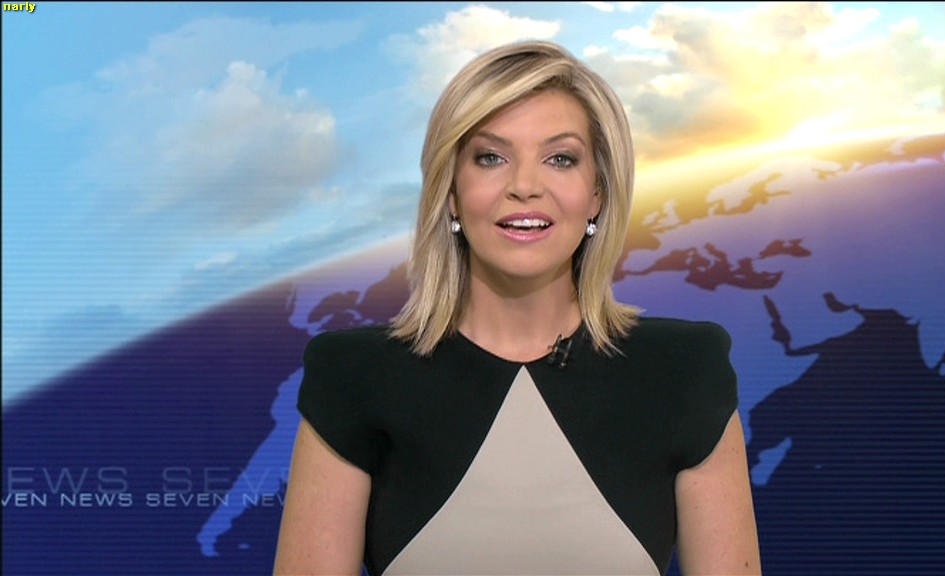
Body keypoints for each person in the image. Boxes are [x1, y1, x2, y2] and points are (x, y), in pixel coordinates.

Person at [274, 40, 761, 576]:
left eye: (560, 158)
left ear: (597, 193)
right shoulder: (352, 377)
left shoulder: (685, 371)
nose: (525, 186)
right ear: (451, 192)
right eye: (491, 157)